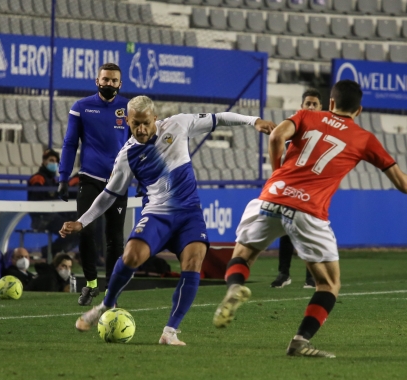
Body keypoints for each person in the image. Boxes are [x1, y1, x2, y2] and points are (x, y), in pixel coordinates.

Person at [212, 80, 407, 357]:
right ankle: (299, 341)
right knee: (329, 284)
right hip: (308, 211)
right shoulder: (364, 138)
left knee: (243, 255)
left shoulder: (307, 115)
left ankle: (235, 287)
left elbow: (275, 137)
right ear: (359, 110)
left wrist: (277, 173)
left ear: (330, 103)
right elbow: (403, 184)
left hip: (270, 196)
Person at [61, 95, 275, 345]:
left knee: (194, 261)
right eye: (135, 124)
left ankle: (170, 331)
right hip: (157, 215)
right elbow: (110, 194)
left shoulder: (179, 124)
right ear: (127, 121)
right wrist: (82, 222)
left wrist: (254, 121)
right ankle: (105, 305)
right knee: (131, 255)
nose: (141, 129)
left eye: (145, 123)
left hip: (189, 214)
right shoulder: (126, 156)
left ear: (155, 118)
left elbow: (220, 119)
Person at [58, 62, 130, 306]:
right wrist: (63, 176)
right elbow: (70, 144)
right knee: (85, 231)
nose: (108, 84)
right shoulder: (81, 107)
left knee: (114, 239)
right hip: (89, 178)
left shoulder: (129, 108)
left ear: (120, 84)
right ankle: (90, 285)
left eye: (113, 80)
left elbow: (141, 146)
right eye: (105, 79)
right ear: (96, 81)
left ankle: (112, 291)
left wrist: (142, 178)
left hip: (118, 182)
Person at [271, 89, 322, 289]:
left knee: (310, 229)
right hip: (291, 184)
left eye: (314, 104)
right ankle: (284, 274)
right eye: (307, 103)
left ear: (321, 108)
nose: (310, 106)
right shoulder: (294, 124)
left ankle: (311, 276)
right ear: (301, 106)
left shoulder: (326, 128)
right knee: (286, 229)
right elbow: (279, 139)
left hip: (313, 186)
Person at [28, 149, 79, 255]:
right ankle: (49, 252)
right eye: (51, 160)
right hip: (42, 218)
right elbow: (36, 202)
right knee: (71, 230)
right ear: (44, 162)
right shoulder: (38, 178)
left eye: (56, 161)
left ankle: (54, 252)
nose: (54, 163)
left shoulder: (53, 180)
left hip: (53, 215)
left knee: (79, 228)